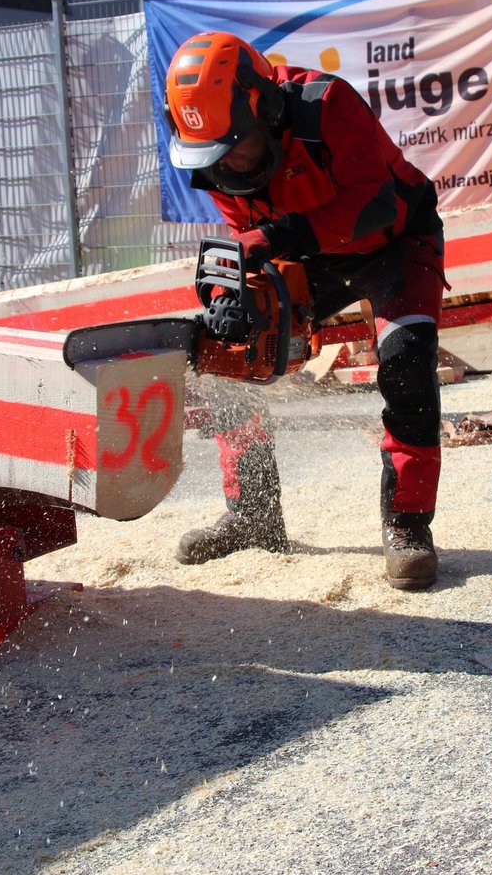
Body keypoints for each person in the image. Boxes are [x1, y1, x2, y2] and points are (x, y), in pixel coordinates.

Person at [163, 31, 448, 590]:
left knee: (407, 360)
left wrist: (276, 236)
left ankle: (407, 524)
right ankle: (253, 513)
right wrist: (227, 301)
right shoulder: (217, 157)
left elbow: (375, 202)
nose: (228, 165)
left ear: (265, 110)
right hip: (303, 252)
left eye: (236, 146)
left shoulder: (327, 105)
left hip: (394, 238)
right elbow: (244, 241)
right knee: (229, 357)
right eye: (214, 156)